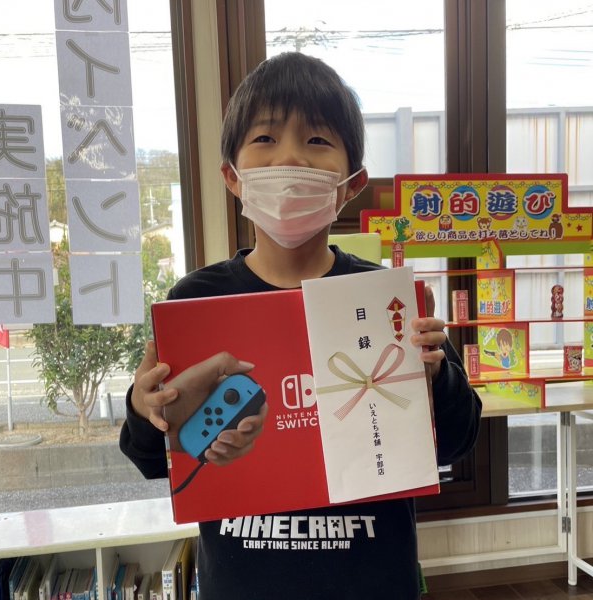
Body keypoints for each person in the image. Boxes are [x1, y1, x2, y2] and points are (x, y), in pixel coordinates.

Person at [120, 52, 482, 600]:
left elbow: (457, 441)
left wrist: (434, 375)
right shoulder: (195, 301)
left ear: (352, 183)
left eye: (316, 140)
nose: (289, 158)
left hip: (372, 583)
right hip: (243, 585)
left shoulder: (387, 302)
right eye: (265, 138)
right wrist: (144, 405)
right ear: (232, 176)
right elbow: (152, 459)